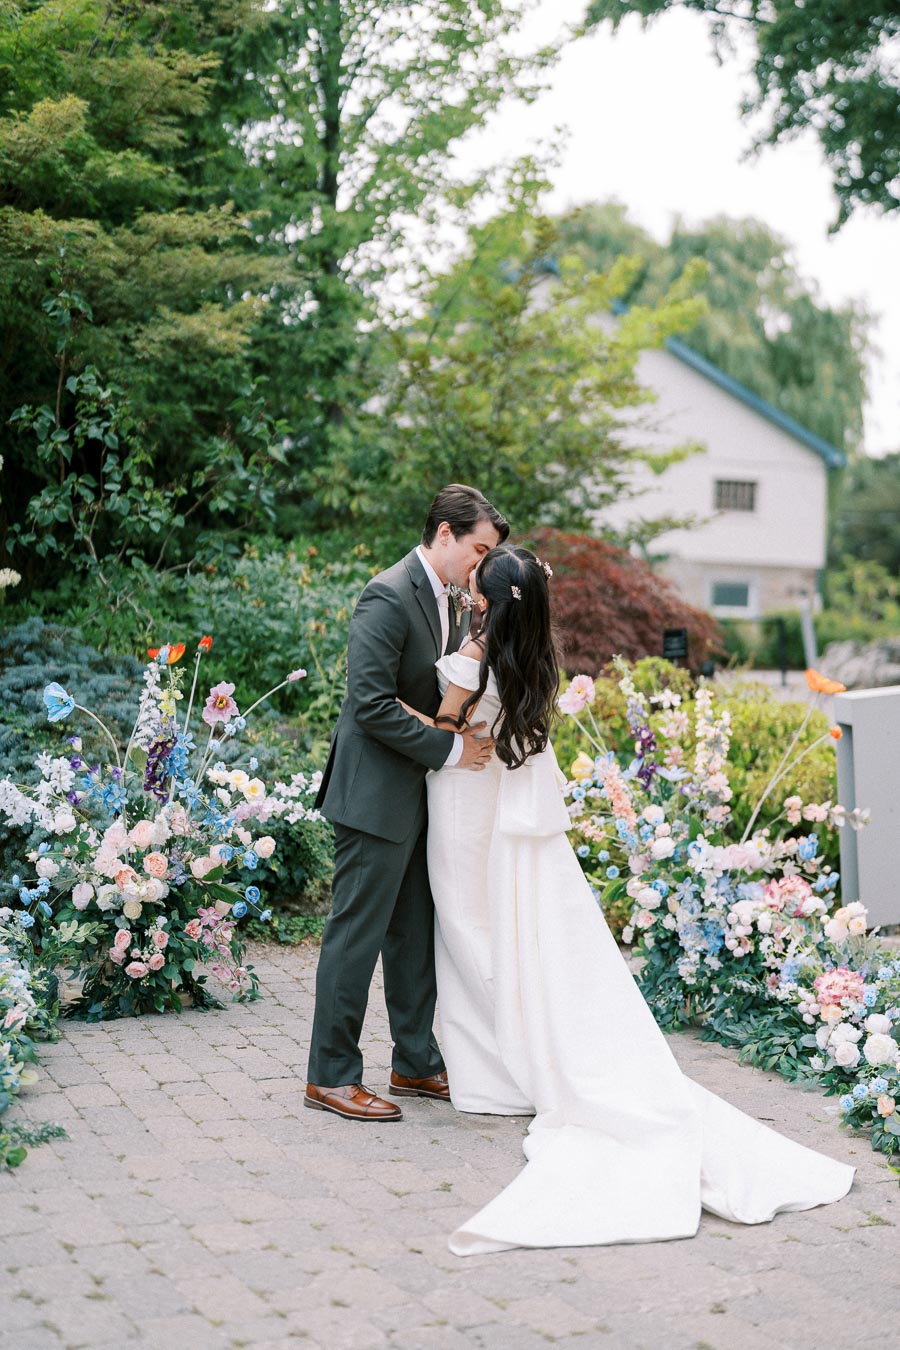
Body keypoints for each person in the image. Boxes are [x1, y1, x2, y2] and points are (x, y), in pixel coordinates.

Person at [423, 543, 854, 1254]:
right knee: (515, 937)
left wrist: (458, 672)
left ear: (494, 603)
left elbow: (443, 726)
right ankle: (502, 1058)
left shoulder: (477, 661)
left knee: (470, 931)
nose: (470, 588)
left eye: (479, 585)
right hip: (511, 817)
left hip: (469, 808)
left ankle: (493, 1068)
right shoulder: (532, 657)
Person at [305, 484, 508, 1122]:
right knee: (355, 938)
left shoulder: (453, 598)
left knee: (413, 934)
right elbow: (367, 704)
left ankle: (414, 1062)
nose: (481, 565)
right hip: (373, 798)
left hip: (420, 802)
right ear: (444, 534)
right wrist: (449, 752)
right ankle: (330, 1076)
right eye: (477, 549)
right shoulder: (387, 594)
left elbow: (432, 689)